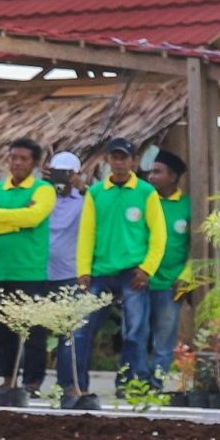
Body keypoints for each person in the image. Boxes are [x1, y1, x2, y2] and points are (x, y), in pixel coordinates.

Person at [72, 138, 166, 391]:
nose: (119, 162)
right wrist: (83, 271)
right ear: (107, 160)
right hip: (99, 273)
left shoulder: (146, 192)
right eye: (114, 157)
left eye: (124, 157)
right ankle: (78, 386)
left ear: (134, 161)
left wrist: (147, 269)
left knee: (134, 332)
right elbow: (86, 234)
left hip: (132, 273)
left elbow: (158, 234)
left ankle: (129, 383)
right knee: (82, 331)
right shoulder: (96, 193)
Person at [0, 136, 58, 397]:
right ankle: (8, 378)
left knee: (34, 329)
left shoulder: (43, 190)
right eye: (14, 157)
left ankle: (32, 381)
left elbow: (34, 217)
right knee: (2, 330)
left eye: (24, 158)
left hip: (30, 271)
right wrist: (17, 222)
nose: (17, 163)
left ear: (34, 163)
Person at [39, 150, 94, 403]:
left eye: (67, 173)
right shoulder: (41, 196)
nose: (62, 178)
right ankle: (31, 382)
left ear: (76, 174)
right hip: (39, 273)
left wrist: (82, 188)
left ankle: (68, 384)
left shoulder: (85, 200)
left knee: (69, 334)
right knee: (34, 332)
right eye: (57, 172)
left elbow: (98, 209)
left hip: (70, 275)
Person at [141, 154, 192, 383]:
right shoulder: (146, 201)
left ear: (173, 177)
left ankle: (156, 382)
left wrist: (186, 276)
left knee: (164, 336)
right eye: (151, 172)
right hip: (140, 280)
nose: (151, 176)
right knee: (137, 334)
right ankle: (137, 380)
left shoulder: (188, 206)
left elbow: (196, 246)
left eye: (157, 172)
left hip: (171, 282)